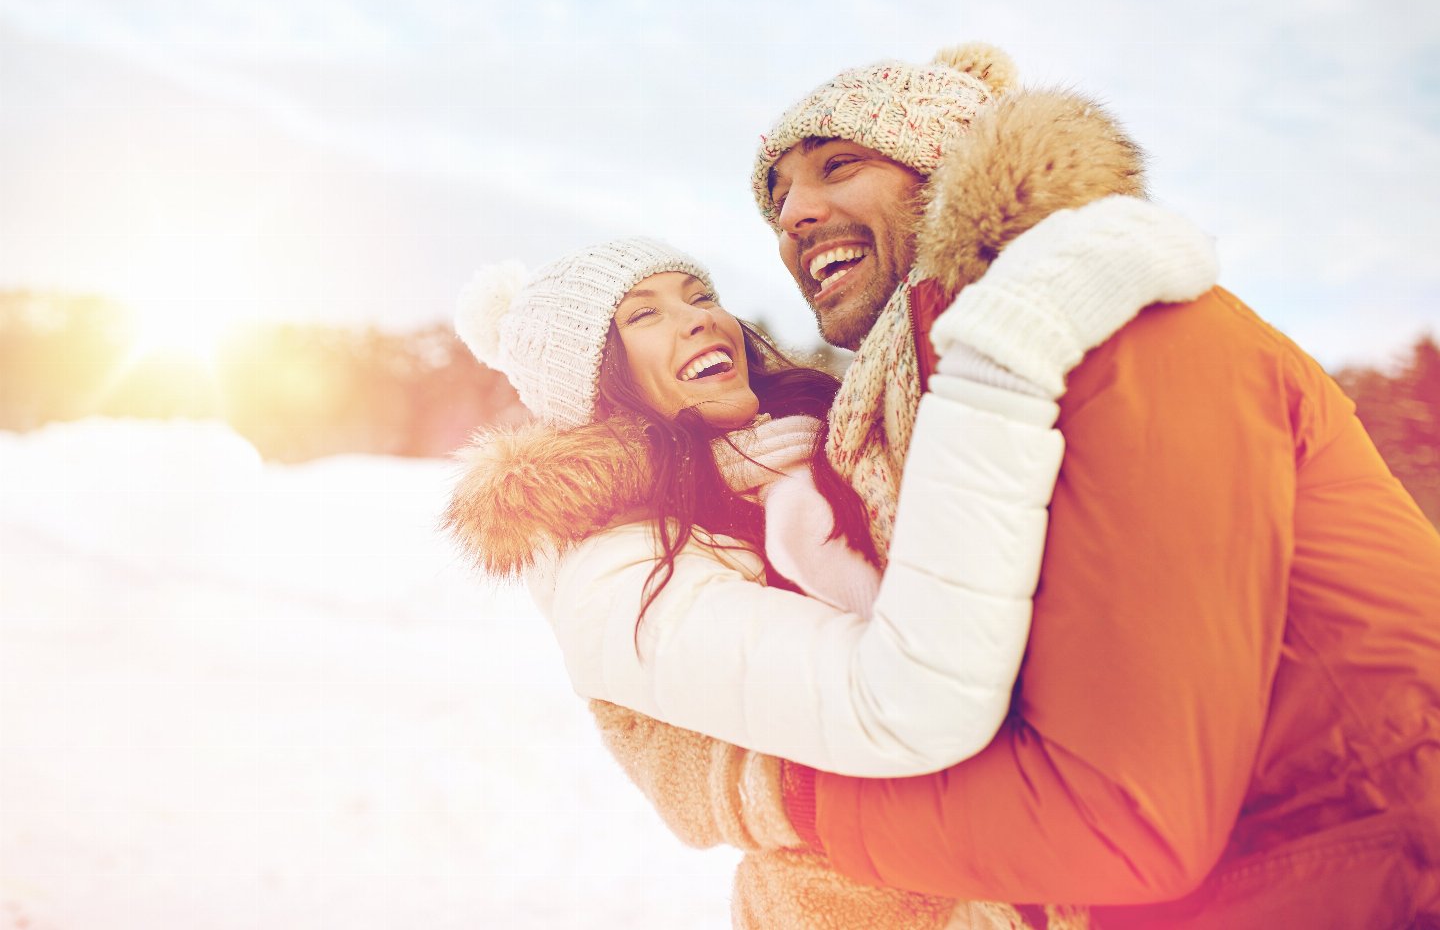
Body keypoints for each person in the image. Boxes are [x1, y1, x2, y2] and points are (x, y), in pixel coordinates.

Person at [604, 43, 1440, 928]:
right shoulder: (931, 410)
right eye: (775, 202)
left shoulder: (1121, 330)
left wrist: (775, 800)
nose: (794, 217)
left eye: (836, 166)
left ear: (945, 166)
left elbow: (1126, 815)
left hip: (1370, 876)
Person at [445, 223, 1215, 927]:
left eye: (700, 294)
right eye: (643, 314)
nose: (701, 318)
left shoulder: (821, 450)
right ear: (593, 384)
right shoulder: (613, 568)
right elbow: (897, 699)